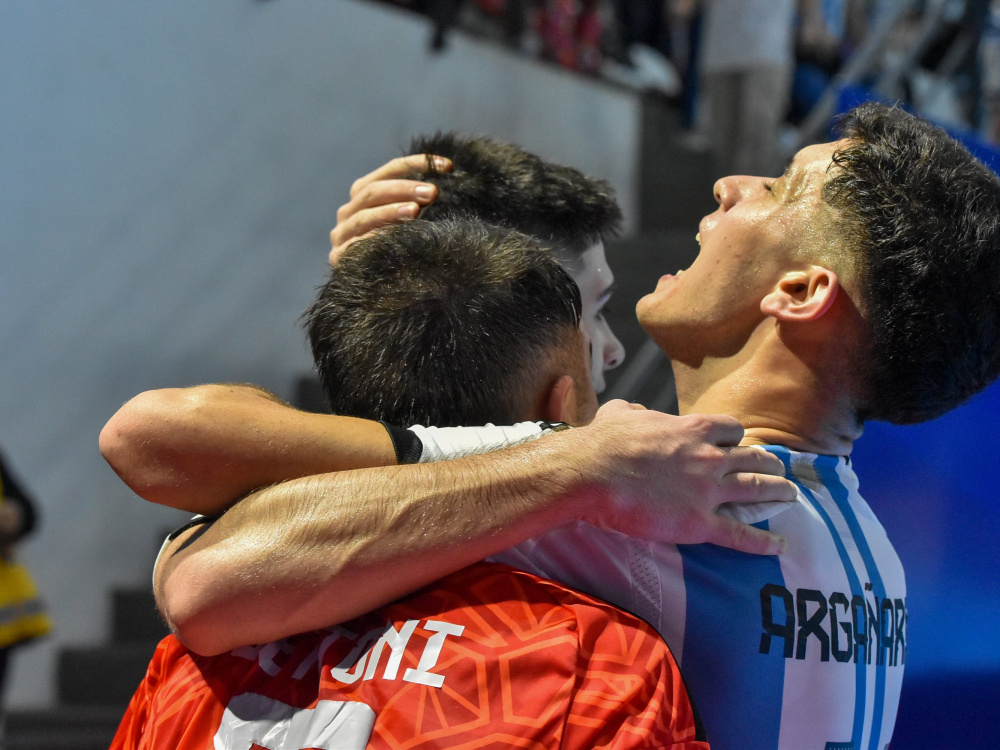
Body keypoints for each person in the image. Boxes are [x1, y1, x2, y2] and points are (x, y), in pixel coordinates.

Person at [101, 101, 1000, 750]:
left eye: (779, 184)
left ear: (799, 294)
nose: (731, 182)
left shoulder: (651, 506)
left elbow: (198, 537)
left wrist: (574, 461)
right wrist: (403, 295)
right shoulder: (856, 545)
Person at [110, 219, 709, 749]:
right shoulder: (596, 660)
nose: (610, 352)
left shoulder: (191, 665)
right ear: (561, 405)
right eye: (594, 319)